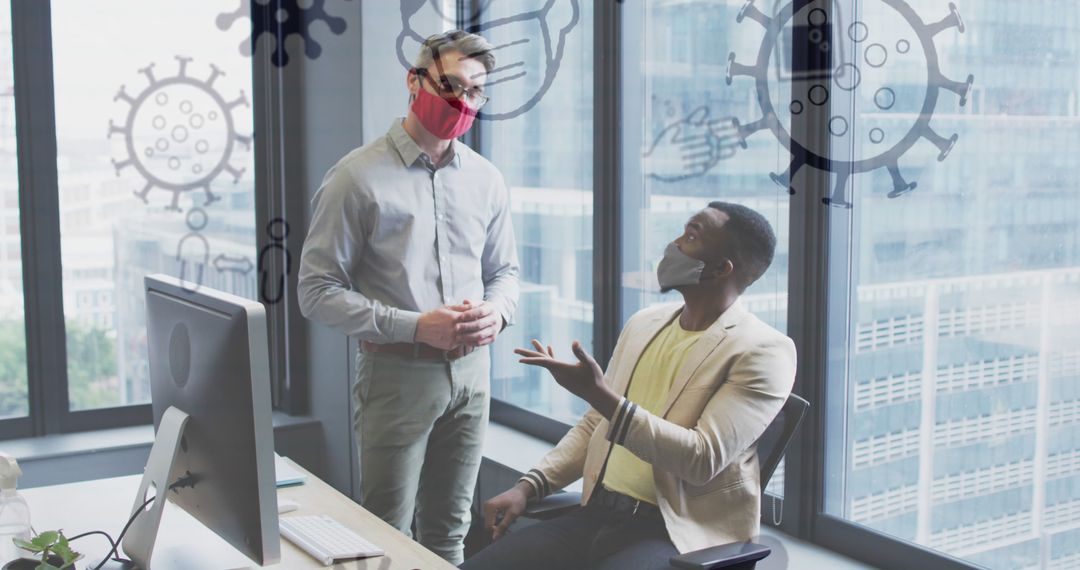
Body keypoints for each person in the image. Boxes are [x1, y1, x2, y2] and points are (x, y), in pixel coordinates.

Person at [462, 202, 795, 570]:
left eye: (691, 235)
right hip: (595, 515)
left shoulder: (764, 351)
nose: (674, 244)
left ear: (720, 268)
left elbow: (701, 459)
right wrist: (529, 486)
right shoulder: (644, 323)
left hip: (674, 536)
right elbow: (595, 425)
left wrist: (602, 397)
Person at [297, 30, 519, 565]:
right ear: (414, 80)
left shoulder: (487, 180)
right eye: (450, 86)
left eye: (475, 93)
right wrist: (417, 326)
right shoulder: (356, 178)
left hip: (473, 378)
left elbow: (505, 272)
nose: (462, 103)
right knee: (383, 536)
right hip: (396, 376)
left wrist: (498, 312)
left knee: (451, 535)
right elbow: (315, 292)